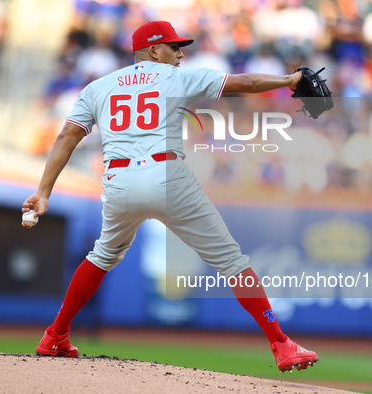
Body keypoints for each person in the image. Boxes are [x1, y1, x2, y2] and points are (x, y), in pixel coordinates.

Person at [22, 21, 318, 372]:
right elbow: (246, 83)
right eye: (173, 47)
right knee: (232, 262)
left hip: (118, 180)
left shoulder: (97, 87)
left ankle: (55, 334)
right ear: (153, 51)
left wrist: (43, 192)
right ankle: (281, 344)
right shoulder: (176, 77)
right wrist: (289, 81)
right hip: (167, 175)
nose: (180, 53)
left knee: (102, 255)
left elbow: (66, 137)